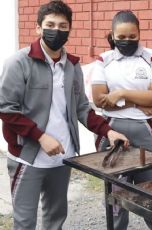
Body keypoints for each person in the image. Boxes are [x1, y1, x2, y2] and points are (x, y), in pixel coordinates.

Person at [0, 1, 129, 230]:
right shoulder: (18, 63)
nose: (56, 30)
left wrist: (108, 131)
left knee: (56, 217)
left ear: (69, 29)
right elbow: (6, 108)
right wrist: (40, 137)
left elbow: (82, 108)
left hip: (63, 156)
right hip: (27, 156)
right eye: (50, 24)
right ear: (38, 28)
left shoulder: (72, 66)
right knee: (24, 222)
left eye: (62, 25)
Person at [91, 10, 152, 230]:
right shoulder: (104, 60)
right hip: (114, 130)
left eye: (132, 37)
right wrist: (137, 102)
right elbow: (99, 99)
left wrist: (122, 94)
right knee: (116, 192)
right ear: (112, 35)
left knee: (151, 192)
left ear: (139, 34)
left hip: (148, 130)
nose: (127, 41)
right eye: (121, 37)